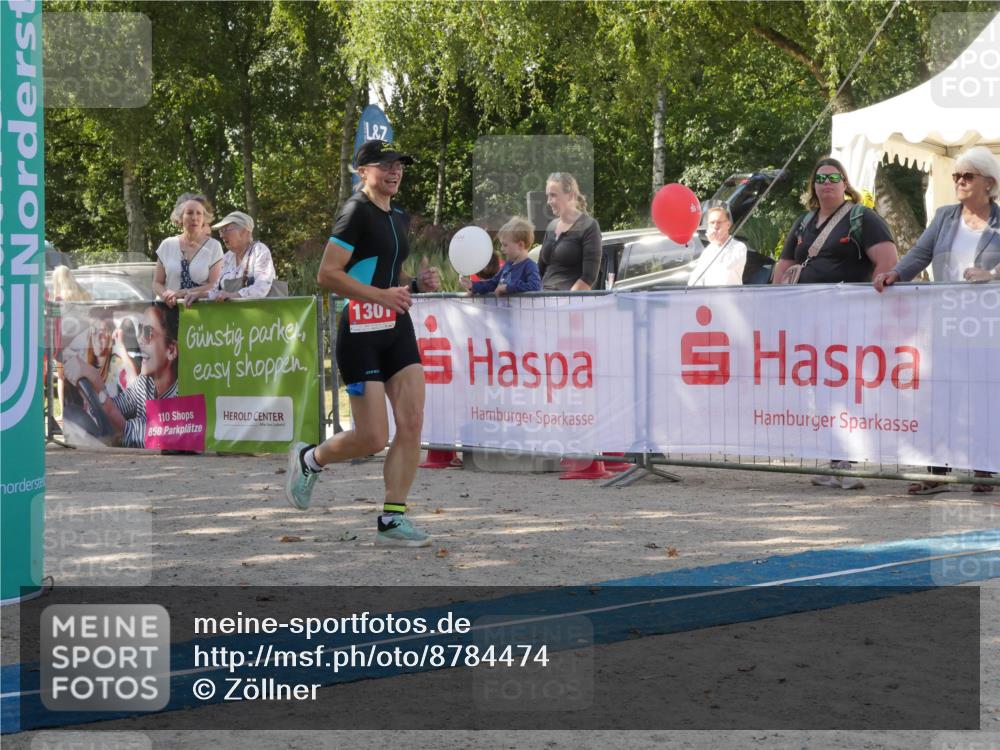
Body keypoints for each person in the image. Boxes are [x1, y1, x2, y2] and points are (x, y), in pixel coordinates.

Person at [284, 139, 441, 547]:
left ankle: (393, 519)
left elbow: (384, 274)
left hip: (397, 329)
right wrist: (381, 296)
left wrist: (413, 285)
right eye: (385, 165)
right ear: (362, 171)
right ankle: (310, 459)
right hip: (360, 334)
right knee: (372, 437)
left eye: (399, 165)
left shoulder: (400, 216)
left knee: (412, 423)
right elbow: (327, 274)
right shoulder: (355, 212)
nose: (395, 171)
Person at [873, 145, 1000, 495]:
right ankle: (936, 472)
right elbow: (920, 253)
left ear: (988, 183)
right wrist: (895, 274)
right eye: (956, 175)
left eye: (967, 176)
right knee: (941, 395)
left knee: (983, 396)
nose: (959, 181)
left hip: (987, 325)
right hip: (946, 322)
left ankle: (984, 470)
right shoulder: (945, 216)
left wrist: (992, 274)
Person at [774, 156, 898, 490]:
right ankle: (835, 460)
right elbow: (783, 266)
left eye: (834, 177)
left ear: (845, 184)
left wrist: (870, 308)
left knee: (848, 388)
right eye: (821, 178)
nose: (827, 183)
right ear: (812, 186)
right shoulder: (803, 223)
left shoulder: (863, 218)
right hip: (808, 322)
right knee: (822, 389)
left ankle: (849, 462)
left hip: (847, 321)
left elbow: (887, 261)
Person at [63, 302, 179, 448]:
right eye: (141, 330)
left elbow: (131, 433)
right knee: (72, 415)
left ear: (171, 350)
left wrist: (96, 381)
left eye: (149, 332)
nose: (141, 340)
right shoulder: (146, 383)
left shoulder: (181, 395)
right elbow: (112, 409)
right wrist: (89, 385)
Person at [152, 194, 224, 307]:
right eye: (189, 213)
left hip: (200, 311)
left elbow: (214, 285)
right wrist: (166, 295)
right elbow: (157, 283)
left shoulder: (213, 247)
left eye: (199, 213)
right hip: (168, 309)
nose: (194, 218)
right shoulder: (167, 245)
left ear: (204, 219)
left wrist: (183, 293)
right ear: (180, 218)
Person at [537, 172, 603, 290]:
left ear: (570, 195)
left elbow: (588, 278)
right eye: (548, 195)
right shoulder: (551, 226)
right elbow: (539, 271)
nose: (548, 201)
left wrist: (567, 303)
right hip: (542, 301)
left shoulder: (589, 226)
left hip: (568, 304)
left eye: (553, 195)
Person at [190, 211, 275, 301]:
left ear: (244, 231)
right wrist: (199, 295)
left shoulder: (259, 250)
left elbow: (261, 287)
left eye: (226, 230)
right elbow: (216, 291)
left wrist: (234, 295)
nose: (222, 235)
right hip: (233, 314)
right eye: (221, 231)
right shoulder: (227, 257)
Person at [460, 217, 542, 296]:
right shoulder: (507, 265)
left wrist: (507, 288)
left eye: (505, 245)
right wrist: (472, 286)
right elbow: (493, 284)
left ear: (520, 245)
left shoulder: (530, 266)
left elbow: (535, 287)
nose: (501, 249)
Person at [687, 206, 748, 286]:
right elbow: (696, 277)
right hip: (709, 296)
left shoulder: (739, 247)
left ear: (728, 225)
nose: (715, 226)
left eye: (719, 222)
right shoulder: (708, 250)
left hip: (730, 296)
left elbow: (727, 266)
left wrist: (715, 244)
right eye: (712, 223)